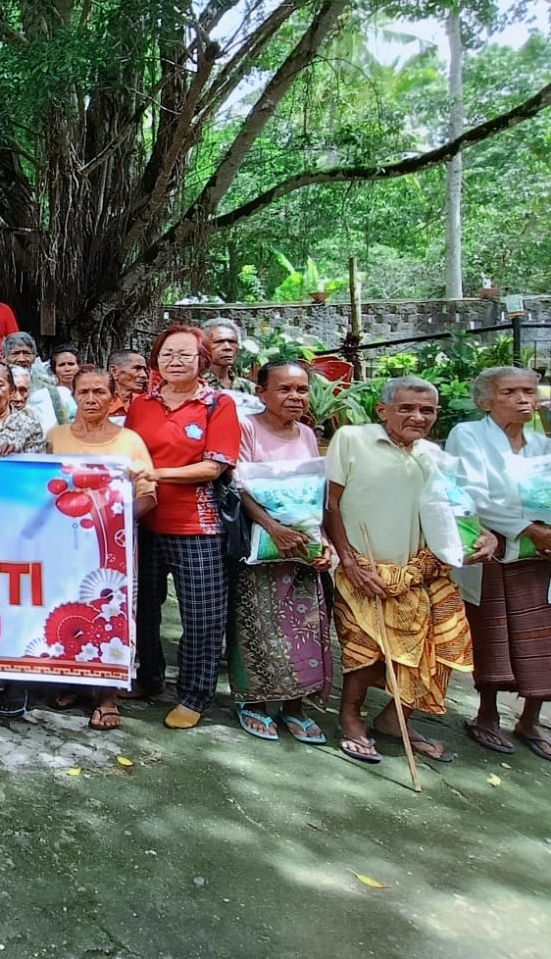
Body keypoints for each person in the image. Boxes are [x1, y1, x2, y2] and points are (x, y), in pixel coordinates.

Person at [324, 376, 491, 764]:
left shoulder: (434, 456)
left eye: (427, 410)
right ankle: (350, 718)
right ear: (383, 410)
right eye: (407, 408)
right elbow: (331, 504)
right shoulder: (351, 439)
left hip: (419, 572)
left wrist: (483, 537)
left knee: (440, 645)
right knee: (366, 649)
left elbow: (455, 510)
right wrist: (348, 561)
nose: (418, 417)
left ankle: (393, 719)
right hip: (362, 568)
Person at [126, 325, 242, 731]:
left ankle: (194, 694)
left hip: (197, 527)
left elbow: (214, 467)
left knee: (202, 616)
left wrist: (156, 473)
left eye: (184, 354)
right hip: (144, 522)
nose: (175, 361)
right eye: (167, 354)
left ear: (201, 360)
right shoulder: (141, 405)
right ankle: (149, 677)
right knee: (143, 609)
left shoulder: (218, 404)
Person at [447, 367, 551, 760]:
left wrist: (544, 532)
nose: (523, 399)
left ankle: (530, 719)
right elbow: (472, 495)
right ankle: (487, 716)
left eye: (529, 391)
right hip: (493, 547)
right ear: (484, 401)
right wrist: (529, 528)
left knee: (542, 636)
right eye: (509, 392)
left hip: (540, 554)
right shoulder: (468, 435)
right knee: (493, 633)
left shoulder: (542, 443)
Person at [230, 361, 336, 745]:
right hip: (262, 546)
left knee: (306, 628)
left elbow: (314, 493)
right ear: (262, 392)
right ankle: (255, 702)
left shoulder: (306, 433)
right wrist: (274, 528)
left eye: (301, 390)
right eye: (284, 389)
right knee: (257, 625)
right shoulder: (246, 428)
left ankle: (295, 706)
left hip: (303, 548)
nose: (295, 397)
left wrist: (323, 541)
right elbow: (240, 487)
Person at [47, 369, 157, 730]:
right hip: (65, 544)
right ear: (73, 396)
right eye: (84, 392)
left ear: (114, 398)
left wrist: (116, 521)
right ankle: (72, 683)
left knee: (113, 614)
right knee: (65, 607)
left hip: (114, 548)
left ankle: (107, 697)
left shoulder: (130, 441)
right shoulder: (56, 437)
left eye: (99, 392)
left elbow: (149, 496)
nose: (91, 399)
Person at [107, 349, 149, 417]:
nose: (144, 375)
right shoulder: (99, 404)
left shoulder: (147, 404)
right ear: (114, 371)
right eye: (137, 368)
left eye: (144, 370)